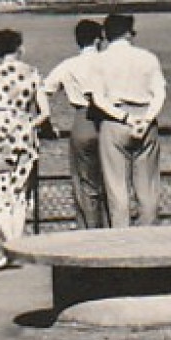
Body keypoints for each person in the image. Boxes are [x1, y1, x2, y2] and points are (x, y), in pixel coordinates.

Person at [0, 28, 51, 248]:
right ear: (19, 48)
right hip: (24, 138)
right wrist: (27, 124)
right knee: (20, 195)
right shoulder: (33, 73)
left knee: (1, 194)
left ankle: (11, 246)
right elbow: (45, 113)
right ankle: (18, 246)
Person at [92, 13, 166, 228]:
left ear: (106, 34)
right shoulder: (148, 57)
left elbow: (98, 99)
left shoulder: (99, 60)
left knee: (117, 189)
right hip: (145, 118)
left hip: (115, 121)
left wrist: (125, 117)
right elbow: (159, 94)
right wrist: (146, 119)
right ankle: (147, 237)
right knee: (148, 188)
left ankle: (121, 241)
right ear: (128, 33)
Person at [43, 19, 107, 228]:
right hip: (109, 121)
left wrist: (46, 122)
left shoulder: (68, 65)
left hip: (82, 120)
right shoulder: (108, 61)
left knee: (84, 183)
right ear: (99, 39)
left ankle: (89, 231)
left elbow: (44, 91)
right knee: (112, 180)